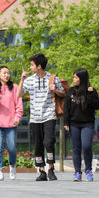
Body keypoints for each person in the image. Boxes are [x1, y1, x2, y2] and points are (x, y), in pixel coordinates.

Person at [17, 53, 65, 181]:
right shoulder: (30, 80)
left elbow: (63, 93)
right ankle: (42, 171)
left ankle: (51, 168)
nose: (30, 67)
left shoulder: (53, 78)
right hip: (35, 117)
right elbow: (19, 94)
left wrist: (55, 90)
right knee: (38, 144)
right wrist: (22, 79)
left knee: (49, 142)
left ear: (39, 66)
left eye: (32, 65)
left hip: (49, 115)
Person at [63, 68, 99, 182]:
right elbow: (66, 108)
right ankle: (77, 173)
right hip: (73, 124)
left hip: (87, 124)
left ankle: (88, 170)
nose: (73, 79)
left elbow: (97, 105)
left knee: (86, 146)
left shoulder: (91, 90)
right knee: (76, 148)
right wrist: (66, 122)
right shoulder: (71, 91)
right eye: (74, 77)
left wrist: (90, 94)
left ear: (82, 79)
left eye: (76, 77)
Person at [0, 66, 23, 181]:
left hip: (11, 123)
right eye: (4, 73)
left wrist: (17, 118)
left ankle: (12, 166)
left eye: (8, 73)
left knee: (12, 147)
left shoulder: (15, 88)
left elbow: (19, 106)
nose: (7, 75)